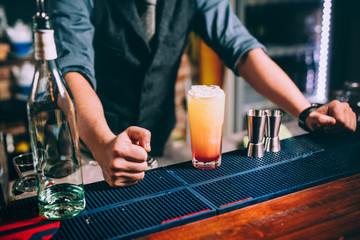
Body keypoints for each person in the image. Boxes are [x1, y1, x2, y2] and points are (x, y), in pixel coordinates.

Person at [47, 0, 357, 187]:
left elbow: (242, 48)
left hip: (155, 140)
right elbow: (72, 69)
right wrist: (102, 143)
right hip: (84, 149)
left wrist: (306, 111)